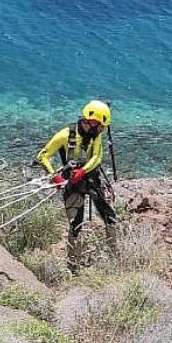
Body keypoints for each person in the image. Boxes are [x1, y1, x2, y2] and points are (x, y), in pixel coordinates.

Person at [37, 100, 117, 272]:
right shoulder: (65, 135)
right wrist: (55, 177)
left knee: (109, 215)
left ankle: (114, 254)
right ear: (92, 122)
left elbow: (97, 157)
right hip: (72, 183)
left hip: (91, 178)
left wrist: (84, 171)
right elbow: (42, 156)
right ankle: (73, 266)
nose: (102, 130)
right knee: (76, 224)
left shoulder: (96, 136)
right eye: (100, 126)